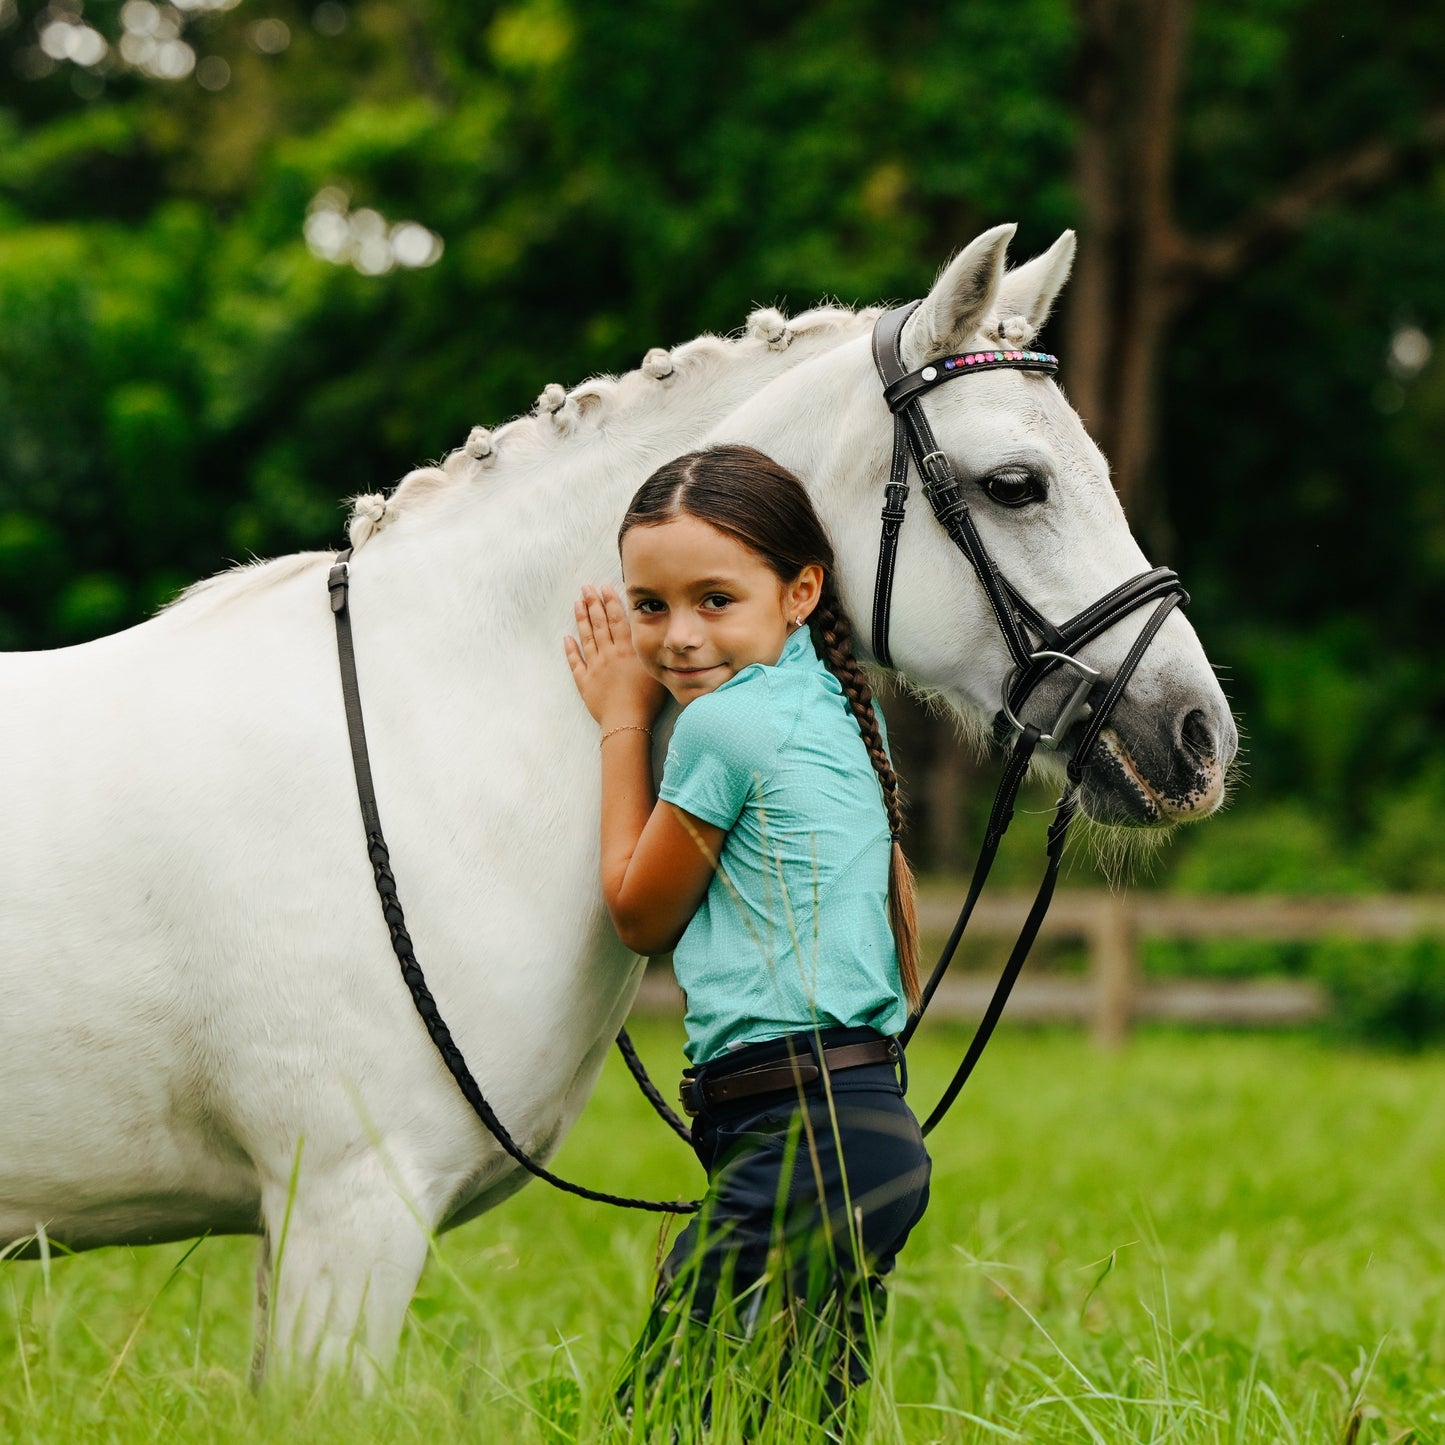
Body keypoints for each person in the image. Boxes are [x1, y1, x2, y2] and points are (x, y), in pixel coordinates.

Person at [564, 443, 931, 1425]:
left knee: (663, 1415)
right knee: (793, 1420)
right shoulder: (838, 711)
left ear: (800, 588)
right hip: (864, 1127)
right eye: (650, 605)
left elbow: (638, 912)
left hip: (797, 1131)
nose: (679, 635)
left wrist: (617, 715)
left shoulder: (724, 728)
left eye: (713, 599)